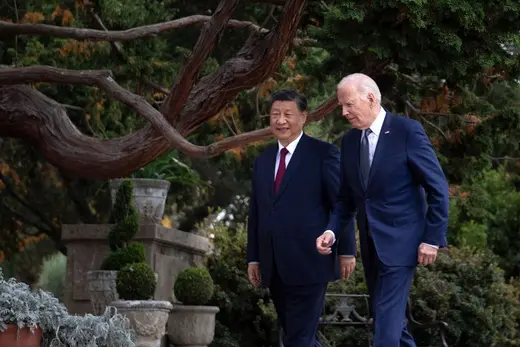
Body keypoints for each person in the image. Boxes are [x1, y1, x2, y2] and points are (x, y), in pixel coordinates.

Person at [316, 73, 449, 347]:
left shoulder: (407, 131)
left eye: (349, 104)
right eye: (341, 106)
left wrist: (432, 239)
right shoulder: (350, 143)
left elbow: (438, 187)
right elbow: (345, 199)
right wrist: (331, 231)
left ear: (371, 98)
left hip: (403, 244)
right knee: (389, 322)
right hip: (371, 246)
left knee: (386, 331)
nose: (344, 112)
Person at [247, 89, 356, 347]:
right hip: (273, 265)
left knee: (298, 338)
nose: (281, 120)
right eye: (275, 114)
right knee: (298, 336)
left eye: (288, 114)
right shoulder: (262, 161)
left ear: (303, 117)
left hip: (310, 262)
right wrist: (253, 257)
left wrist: (347, 251)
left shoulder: (323, 154)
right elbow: (257, 212)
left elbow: (341, 203)